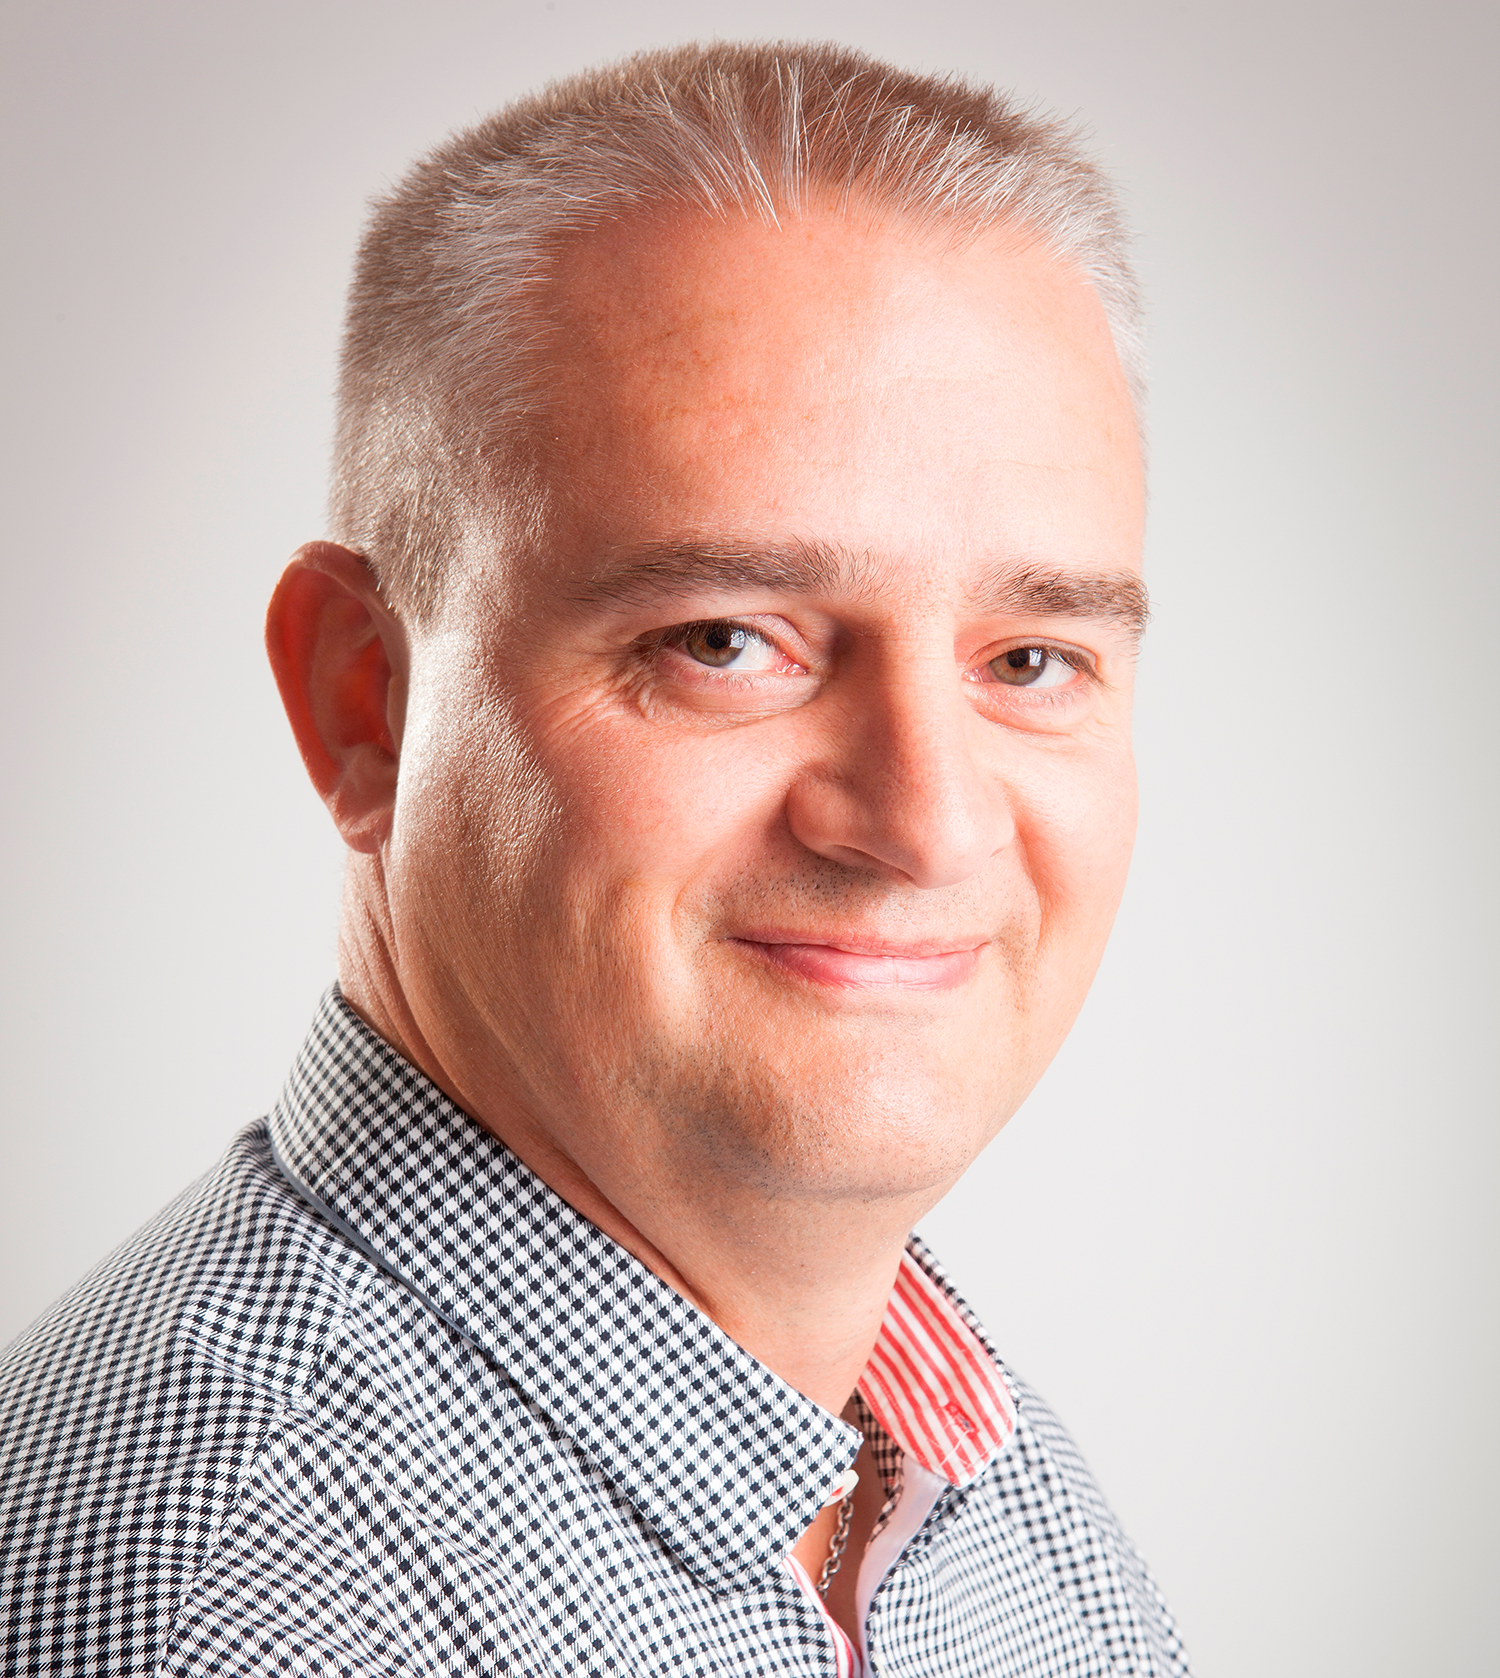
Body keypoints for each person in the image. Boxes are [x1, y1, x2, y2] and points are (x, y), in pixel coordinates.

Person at [0, 40, 1190, 1677]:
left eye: (1031, 660)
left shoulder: (999, 1510)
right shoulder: (222, 1605)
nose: (929, 821)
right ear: (365, 701)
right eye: (725, 640)